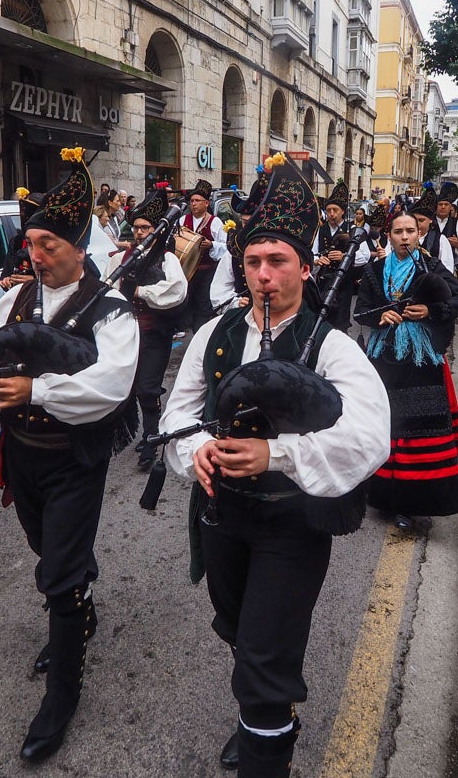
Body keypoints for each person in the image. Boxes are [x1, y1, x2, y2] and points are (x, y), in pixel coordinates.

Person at [160, 152, 390, 777]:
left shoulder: (330, 345)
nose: (264, 274)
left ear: (305, 267)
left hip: (291, 526)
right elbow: (175, 415)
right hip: (221, 515)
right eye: (254, 261)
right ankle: (268, 707)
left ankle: (266, 728)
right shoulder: (215, 334)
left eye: (278, 261)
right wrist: (194, 451)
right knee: (237, 628)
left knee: (262, 657)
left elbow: (371, 437)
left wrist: (277, 453)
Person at [0, 148, 140, 762]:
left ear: (79, 248)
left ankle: (64, 690)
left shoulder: (112, 312)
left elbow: (110, 387)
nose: (35, 255)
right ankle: (79, 609)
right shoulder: (14, 301)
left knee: (57, 572)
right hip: (23, 455)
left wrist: (36, 388)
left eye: (48, 245)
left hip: (74, 459)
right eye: (30, 243)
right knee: (47, 550)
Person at [354, 211, 458, 531]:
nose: (405, 237)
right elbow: (360, 310)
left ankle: (413, 503)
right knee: (385, 427)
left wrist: (430, 310)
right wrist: (380, 317)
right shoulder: (375, 270)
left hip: (420, 361)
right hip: (385, 360)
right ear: (387, 237)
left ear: (419, 235)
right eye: (398, 232)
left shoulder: (431, 266)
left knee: (418, 432)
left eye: (411, 231)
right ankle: (381, 496)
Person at [117, 189, 188, 469]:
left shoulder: (166, 258)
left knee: (148, 388)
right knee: (132, 387)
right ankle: (146, 431)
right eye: (136, 227)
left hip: (156, 334)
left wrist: (140, 292)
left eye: (145, 227)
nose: (140, 232)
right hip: (128, 334)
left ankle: (151, 436)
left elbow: (176, 290)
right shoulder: (125, 258)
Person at [312, 180, 368, 332]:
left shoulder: (353, 230)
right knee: (322, 318)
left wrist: (345, 257)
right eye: (329, 210)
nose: (331, 214)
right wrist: (317, 260)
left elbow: (365, 255)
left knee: (340, 322)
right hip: (323, 282)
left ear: (342, 211)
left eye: (335, 210)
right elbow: (313, 251)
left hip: (343, 284)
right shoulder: (320, 230)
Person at [181, 179, 226, 331]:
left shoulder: (215, 222)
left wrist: (212, 245)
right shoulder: (183, 220)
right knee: (188, 303)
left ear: (206, 203)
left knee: (203, 305)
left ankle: (201, 331)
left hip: (206, 272)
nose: (193, 204)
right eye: (192, 200)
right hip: (187, 272)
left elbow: (225, 246)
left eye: (197, 201)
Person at [435, 183, 458, 286]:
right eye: (440, 204)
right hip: (431, 268)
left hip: (453, 267)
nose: (443, 207)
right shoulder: (429, 223)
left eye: (446, 205)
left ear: (450, 207)